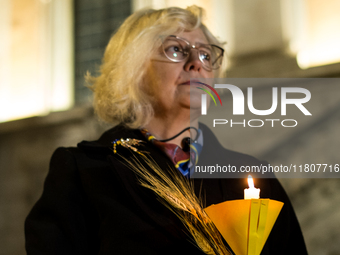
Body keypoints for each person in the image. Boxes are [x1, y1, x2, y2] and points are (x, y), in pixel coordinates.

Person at [25, 6, 308, 255]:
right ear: (132, 69)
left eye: (206, 54)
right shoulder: (83, 172)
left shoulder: (253, 177)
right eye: (176, 49)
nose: (196, 63)